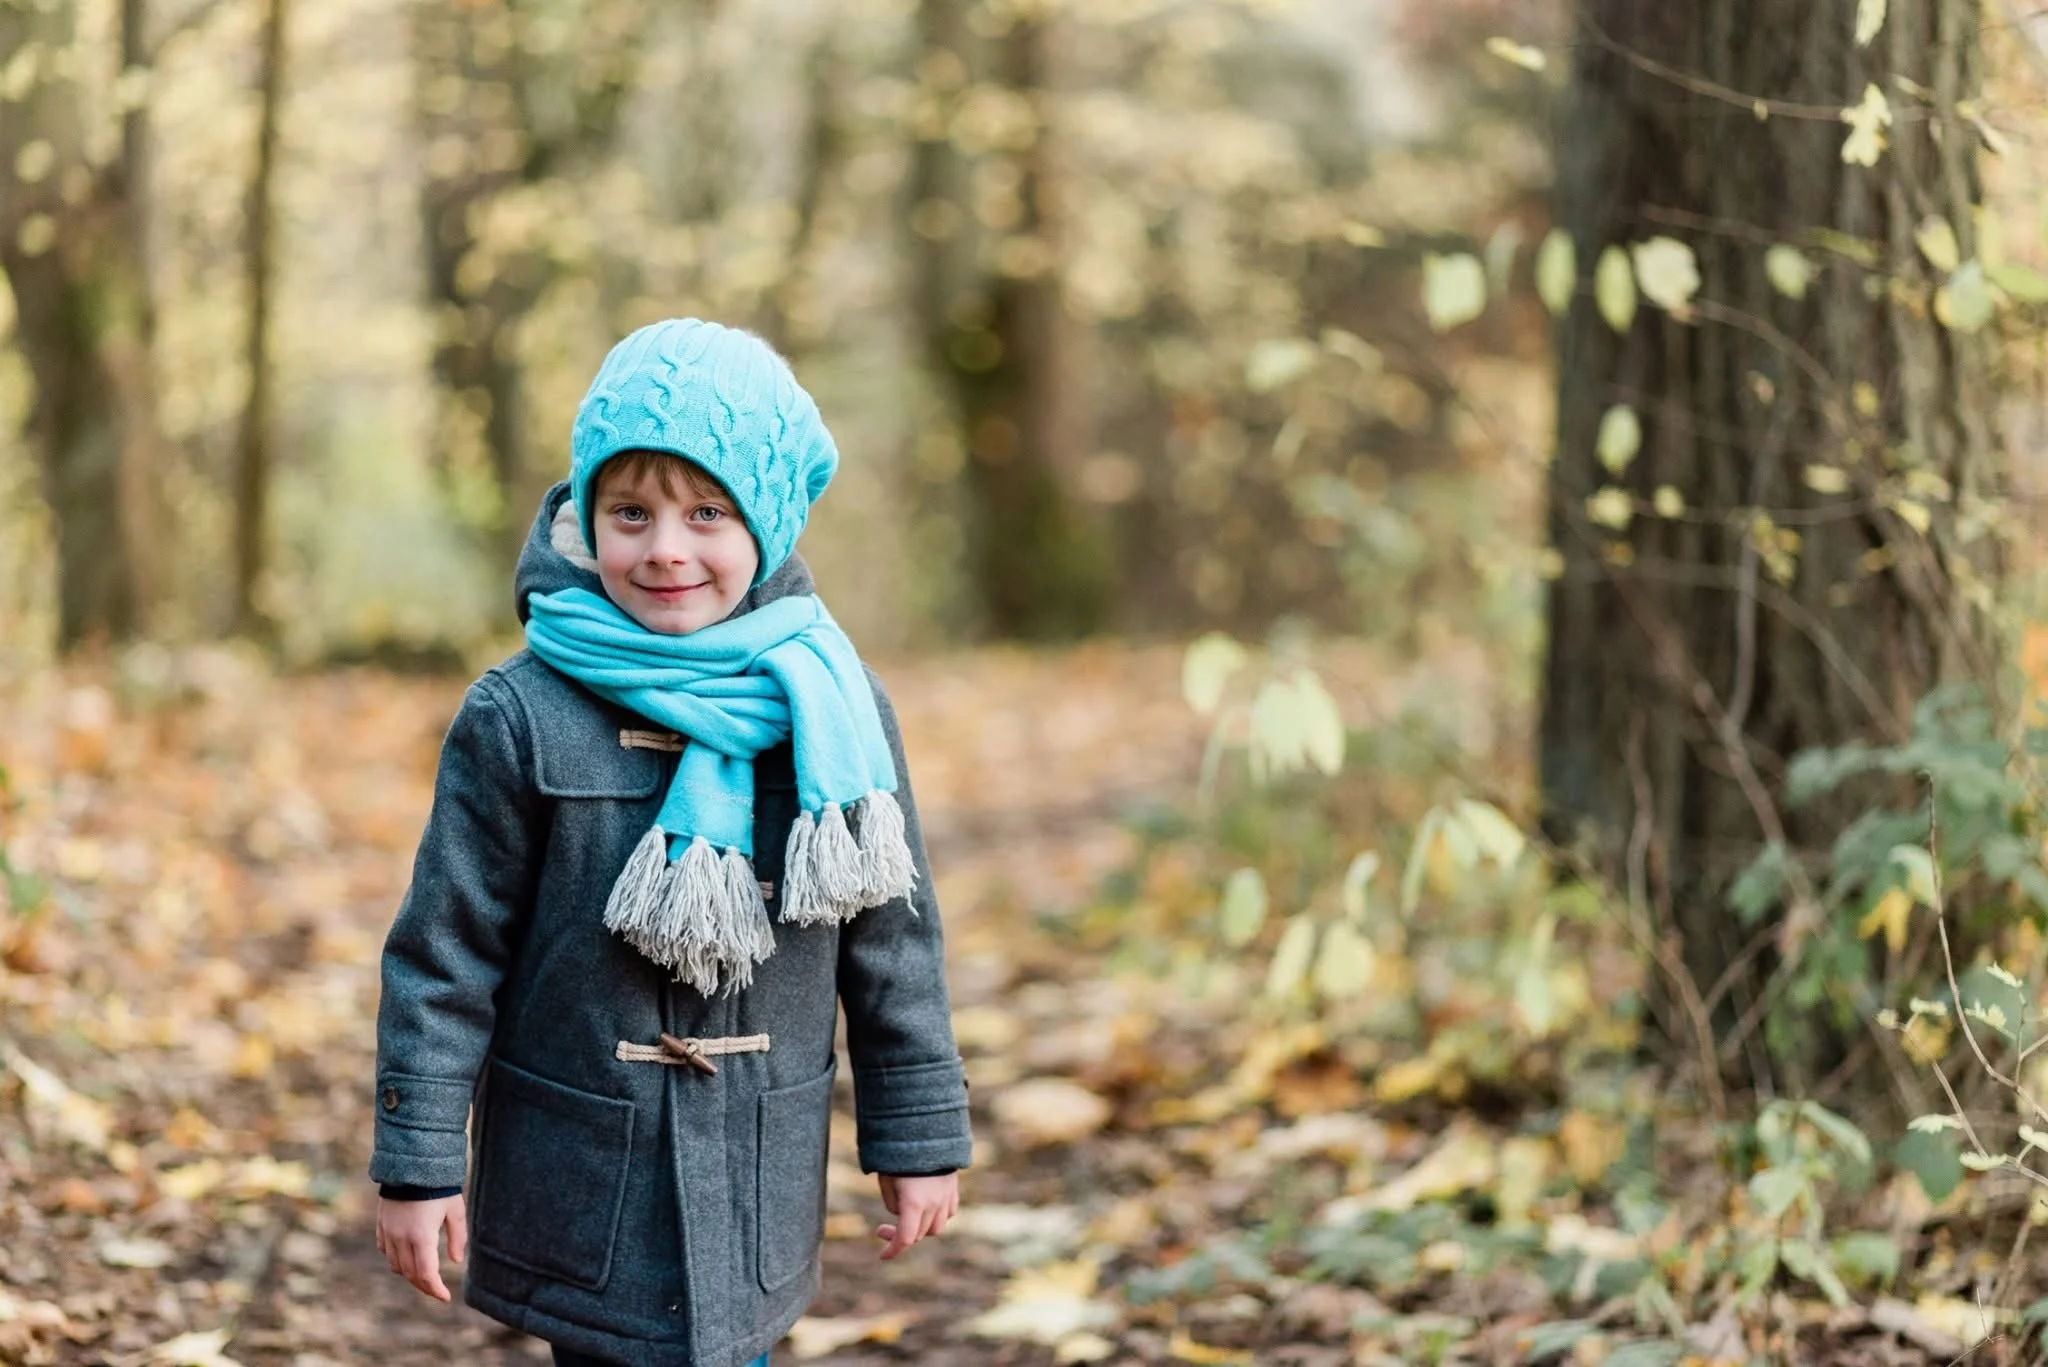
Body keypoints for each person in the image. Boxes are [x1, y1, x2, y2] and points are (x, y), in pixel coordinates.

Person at [369, 319, 972, 1367]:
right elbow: (444, 951)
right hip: (581, 1161)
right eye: (629, 511)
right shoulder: (520, 712)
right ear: (583, 516)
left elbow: (892, 946)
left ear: (768, 521)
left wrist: (917, 1135)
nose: (665, 548)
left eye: (706, 511)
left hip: (754, 1159)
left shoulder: (831, 706)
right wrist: (418, 1160)